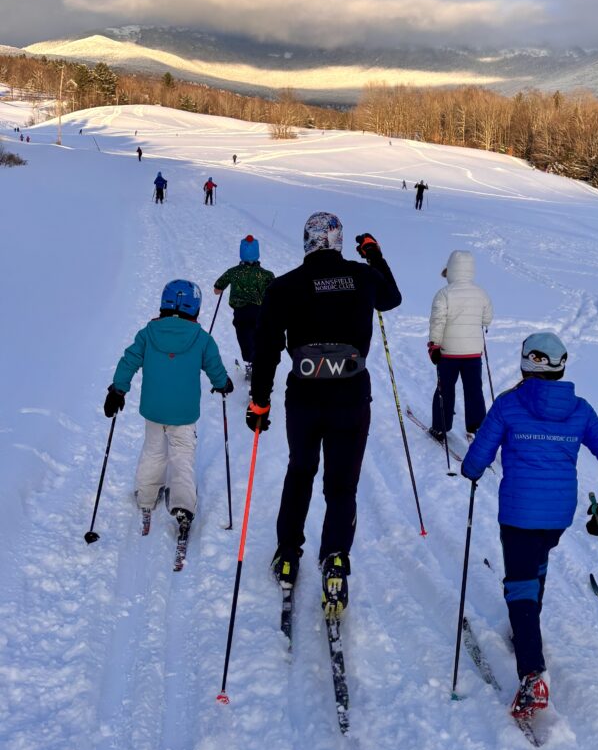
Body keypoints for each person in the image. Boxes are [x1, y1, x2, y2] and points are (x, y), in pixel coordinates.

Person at [461, 332, 598, 719]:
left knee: (519, 582)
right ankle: (526, 627)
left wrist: (471, 471)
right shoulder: (580, 409)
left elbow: (475, 461)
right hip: (557, 514)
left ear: (526, 364)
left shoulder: (508, 404)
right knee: (536, 566)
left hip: (519, 511)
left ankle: (532, 673)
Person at [248, 212, 401, 617]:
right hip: (351, 396)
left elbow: (265, 347)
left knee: (300, 471)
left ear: (307, 242)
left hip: (304, 396)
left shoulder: (285, 286)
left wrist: (258, 399)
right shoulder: (363, 278)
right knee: (341, 484)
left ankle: (287, 553)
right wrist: (374, 256)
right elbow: (392, 299)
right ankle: (335, 557)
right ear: (338, 240)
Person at [104, 280, 232, 534]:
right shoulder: (201, 338)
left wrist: (118, 389)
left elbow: (129, 360)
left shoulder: (148, 334)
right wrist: (223, 383)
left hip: (153, 409)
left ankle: (146, 495)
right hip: (184, 414)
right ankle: (183, 505)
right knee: (182, 455)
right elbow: (214, 366)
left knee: (154, 450)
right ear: (195, 307)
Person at [427, 250, 493, 441]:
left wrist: (434, 345)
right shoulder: (481, 293)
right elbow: (487, 318)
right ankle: (477, 427)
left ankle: (440, 428)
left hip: (448, 354)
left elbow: (437, 321)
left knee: (445, 389)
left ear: (451, 269)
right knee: (474, 390)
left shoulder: (444, 294)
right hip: (473, 353)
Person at [213, 236, 275, 382]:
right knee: (259, 337)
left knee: (244, 338)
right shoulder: (266, 274)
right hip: (260, 312)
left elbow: (217, 289)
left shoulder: (234, 272)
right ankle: (259, 364)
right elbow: (274, 292)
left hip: (241, 313)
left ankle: (250, 364)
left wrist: (222, 288)